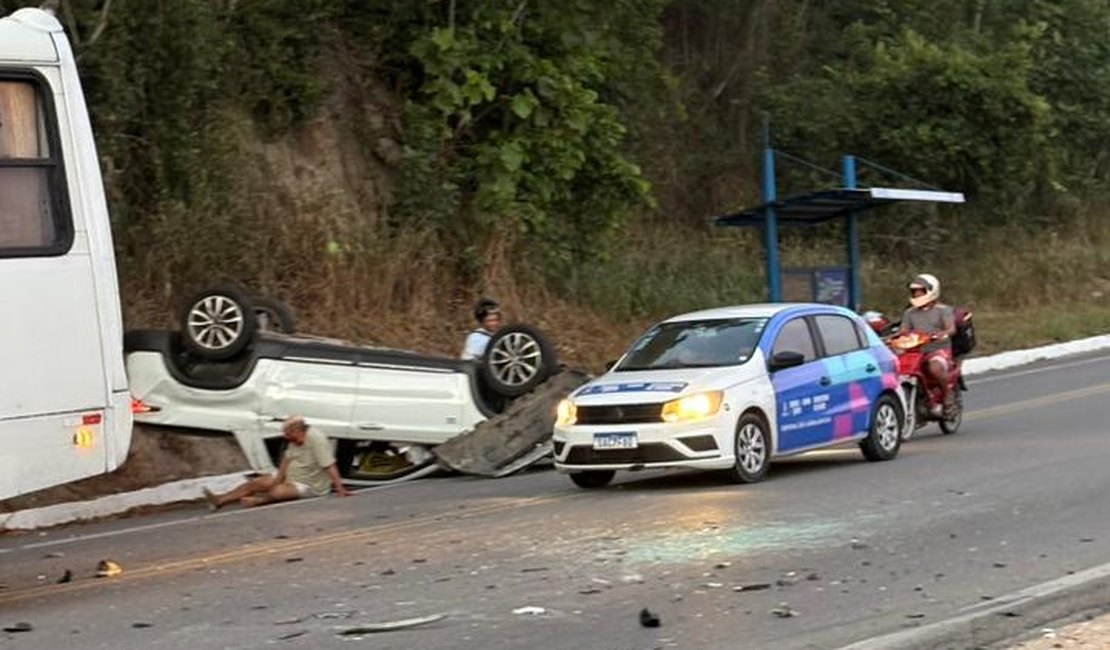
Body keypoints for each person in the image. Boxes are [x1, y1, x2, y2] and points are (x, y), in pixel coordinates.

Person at [202, 416, 350, 510]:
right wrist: (276, 479)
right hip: (292, 478)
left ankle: (259, 501)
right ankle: (220, 500)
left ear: (297, 430)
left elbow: (329, 465)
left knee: (278, 491)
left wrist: (340, 488)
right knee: (260, 482)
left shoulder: (317, 440)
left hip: (310, 486)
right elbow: (286, 461)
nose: (286, 438)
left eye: (288, 434)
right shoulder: (295, 441)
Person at [899, 274, 957, 418]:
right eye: (915, 291)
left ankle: (947, 395)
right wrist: (896, 338)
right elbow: (903, 331)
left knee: (935, 368)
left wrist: (942, 334)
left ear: (931, 290)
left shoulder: (943, 310)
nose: (917, 294)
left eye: (921, 291)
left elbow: (951, 328)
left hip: (938, 349)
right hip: (915, 351)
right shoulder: (909, 313)